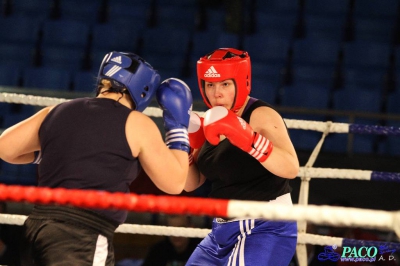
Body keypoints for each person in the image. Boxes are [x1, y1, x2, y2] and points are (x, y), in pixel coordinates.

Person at [0, 51, 193, 265]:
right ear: (144, 90)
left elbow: (5, 148)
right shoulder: (137, 122)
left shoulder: (58, 110)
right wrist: (178, 129)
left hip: (35, 229)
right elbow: (174, 183)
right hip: (80, 235)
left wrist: (60, 152)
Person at [184, 48, 299, 265]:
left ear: (241, 82)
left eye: (225, 84)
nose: (216, 93)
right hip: (221, 231)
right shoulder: (211, 120)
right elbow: (191, 184)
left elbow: (291, 168)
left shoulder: (261, 115)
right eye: (210, 85)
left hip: (265, 226)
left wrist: (250, 140)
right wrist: (183, 143)